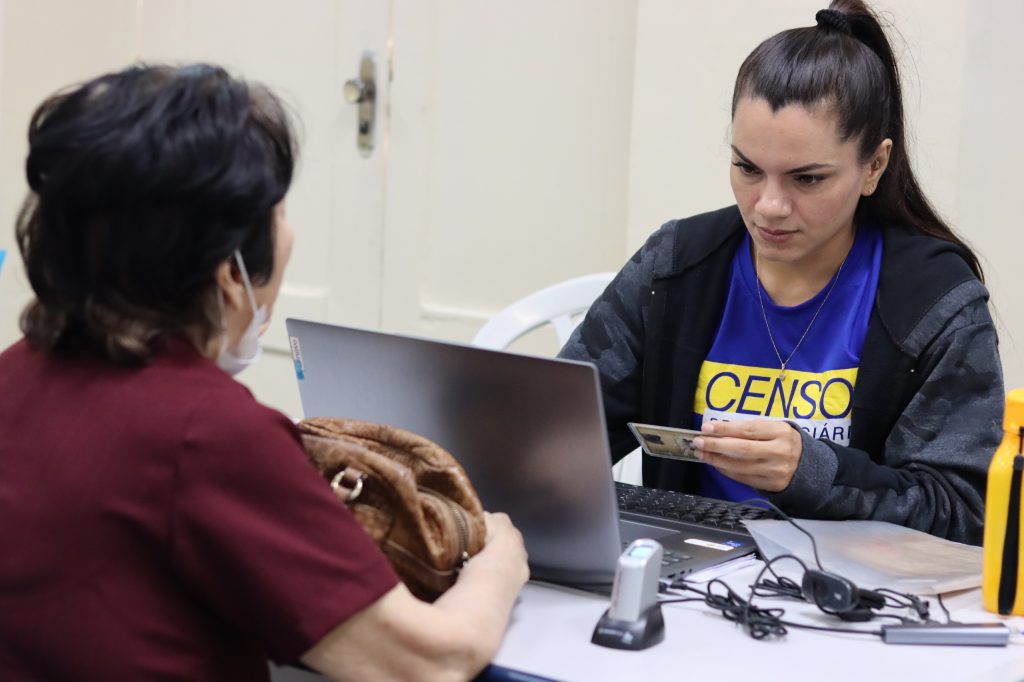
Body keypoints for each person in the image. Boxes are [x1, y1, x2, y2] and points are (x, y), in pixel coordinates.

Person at [0, 64, 528, 681]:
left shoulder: (15, 375)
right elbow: (428, 662)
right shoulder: (207, 433)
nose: (288, 233)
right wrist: (501, 559)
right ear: (229, 272)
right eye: (279, 213)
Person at [560, 0, 1002, 546]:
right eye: (747, 168)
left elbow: (966, 515)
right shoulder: (676, 265)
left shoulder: (932, 298)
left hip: (850, 603)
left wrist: (811, 472)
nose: (768, 206)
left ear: (875, 167)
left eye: (807, 179)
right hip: (689, 583)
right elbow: (557, 433)